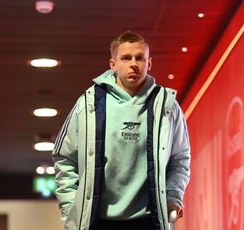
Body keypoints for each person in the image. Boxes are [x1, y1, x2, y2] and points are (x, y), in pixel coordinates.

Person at [52, 31, 190, 230]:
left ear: (149, 64)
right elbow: (64, 157)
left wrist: (173, 196)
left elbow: (180, 158)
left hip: (149, 220)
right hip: (97, 221)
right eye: (126, 58)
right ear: (113, 64)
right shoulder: (89, 103)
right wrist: (71, 207)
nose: (133, 64)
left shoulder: (166, 106)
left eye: (140, 58)